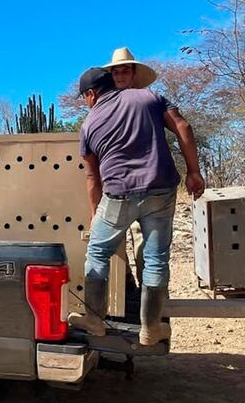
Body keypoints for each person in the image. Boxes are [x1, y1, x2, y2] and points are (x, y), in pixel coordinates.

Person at [70, 68, 205, 346]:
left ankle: (95, 321)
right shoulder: (148, 97)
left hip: (118, 195)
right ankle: (151, 328)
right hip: (161, 189)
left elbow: (93, 177)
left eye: (84, 96)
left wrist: (96, 212)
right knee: (156, 260)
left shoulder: (89, 124)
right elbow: (183, 127)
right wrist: (194, 172)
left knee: (97, 253)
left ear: (91, 94)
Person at [103, 47, 159, 286]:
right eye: (116, 71)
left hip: (146, 183)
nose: (120, 75)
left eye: (125, 70)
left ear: (134, 73)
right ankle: (126, 290)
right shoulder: (106, 106)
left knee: (144, 242)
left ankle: (148, 295)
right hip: (117, 184)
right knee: (115, 242)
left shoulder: (149, 101)